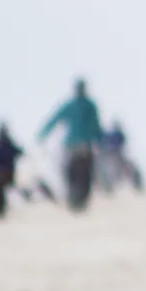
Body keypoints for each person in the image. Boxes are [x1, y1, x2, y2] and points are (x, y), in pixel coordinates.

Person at [39, 79, 105, 212]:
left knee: (74, 175)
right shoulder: (88, 105)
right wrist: (100, 140)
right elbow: (96, 126)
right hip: (82, 147)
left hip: (74, 146)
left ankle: (76, 201)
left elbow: (55, 119)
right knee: (82, 175)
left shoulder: (76, 105)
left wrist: (43, 134)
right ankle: (77, 201)